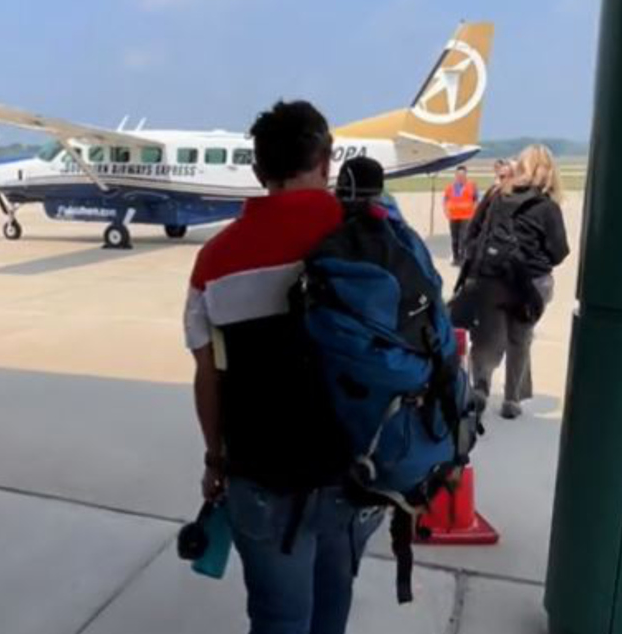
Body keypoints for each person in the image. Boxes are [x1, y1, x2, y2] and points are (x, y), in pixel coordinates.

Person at [184, 100, 382, 634]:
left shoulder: (216, 259)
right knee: (331, 606)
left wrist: (214, 459)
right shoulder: (370, 236)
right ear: (327, 160)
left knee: (278, 618)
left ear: (258, 170)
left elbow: (208, 376)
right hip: (355, 472)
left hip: (261, 474)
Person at [461, 144, 570, 419]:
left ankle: (481, 387)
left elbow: (477, 231)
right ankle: (512, 400)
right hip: (531, 282)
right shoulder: (548, 206)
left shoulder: (499, 195)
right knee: (520, 338)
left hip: (493, 278)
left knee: (487, 336)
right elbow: (559, 251)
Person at [444, 165, 480, 266]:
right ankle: (456, 258)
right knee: (454, 238)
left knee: (463, 237)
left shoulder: (472, 185)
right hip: (454, 216)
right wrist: (446, 210)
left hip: (467, 216)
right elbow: (445, 200)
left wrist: (475, 210)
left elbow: (476, 198)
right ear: (455, 175)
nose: (460, 177)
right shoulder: (450, 187)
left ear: (465, 175)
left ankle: (462, 258)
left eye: (462, 175)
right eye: (458, 175)